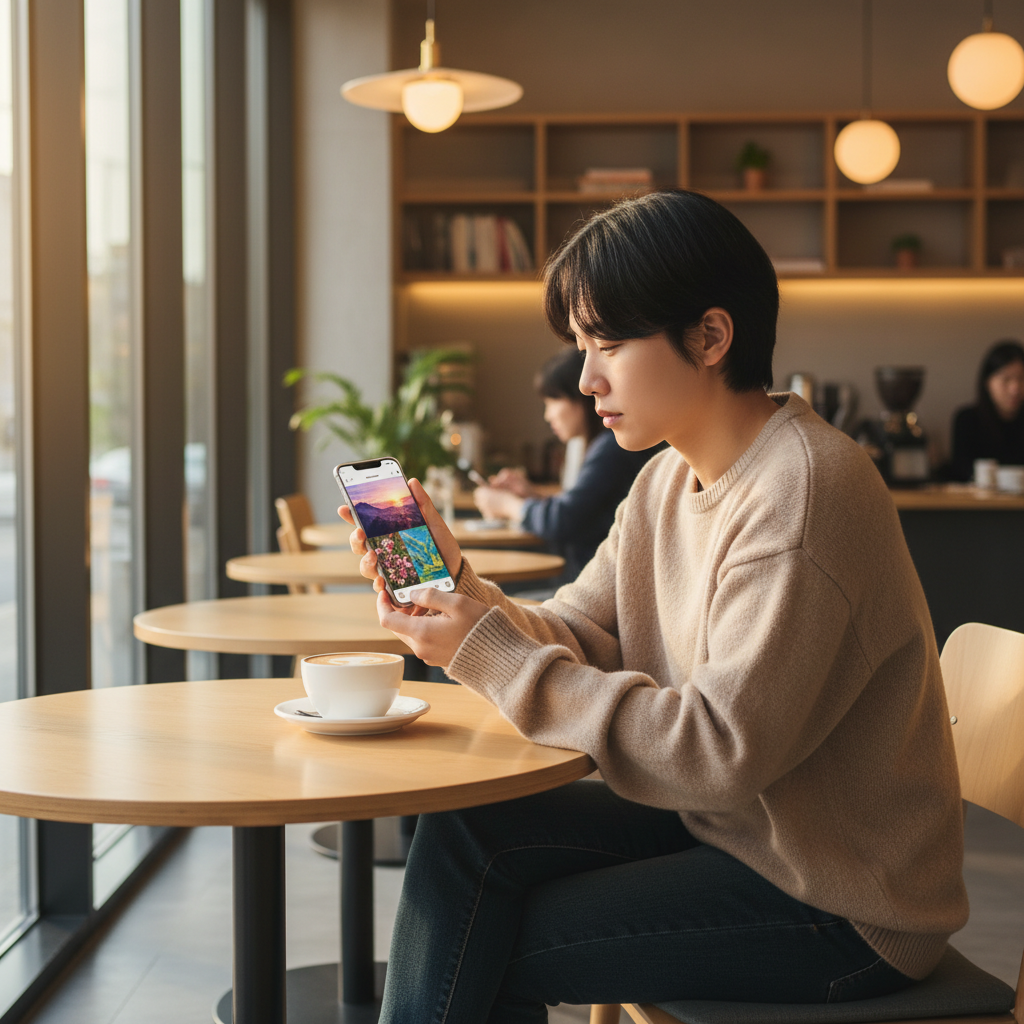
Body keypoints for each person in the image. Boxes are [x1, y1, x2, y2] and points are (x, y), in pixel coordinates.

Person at [341, 190, 968, 1023]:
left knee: (486, 936)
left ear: (710, 337)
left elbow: (714, 750)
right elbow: (582, 630)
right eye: (579, 345)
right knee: (464, 835)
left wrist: (484, 649)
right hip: (736, 832)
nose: (586, 376)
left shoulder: (804, 496)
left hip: (844, 899)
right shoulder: (669, 477)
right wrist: (465, 594)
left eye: (609, 343)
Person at [474, 347, 663, 582]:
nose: (548, 415)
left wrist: (507, 505)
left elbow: (563, 521)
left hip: (596, 590)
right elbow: (582, 512)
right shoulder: (601, 445)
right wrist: (532, 496)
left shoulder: (613, 447)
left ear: (580, 398)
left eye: (552, 401)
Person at [948, 339, 1024, 481]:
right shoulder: (967, 420)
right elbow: (962, 471)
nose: (1015, 389)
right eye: (1006, 379)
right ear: (988, 382)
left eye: (1021, 379)